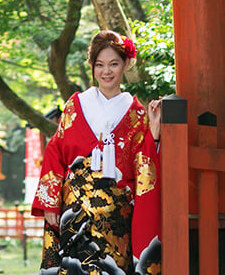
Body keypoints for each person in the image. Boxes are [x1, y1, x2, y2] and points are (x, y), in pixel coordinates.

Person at [30, 30, 162, 275]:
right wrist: (50, 202)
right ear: (91, 66)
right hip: (75, 212)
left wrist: (153, 131)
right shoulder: (76, 105)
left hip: (116, 217)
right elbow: (55, 150)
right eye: (100, 65)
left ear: (125, 64)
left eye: (114, 64)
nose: (106, 72)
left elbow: (144, 164)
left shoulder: (136, 113)